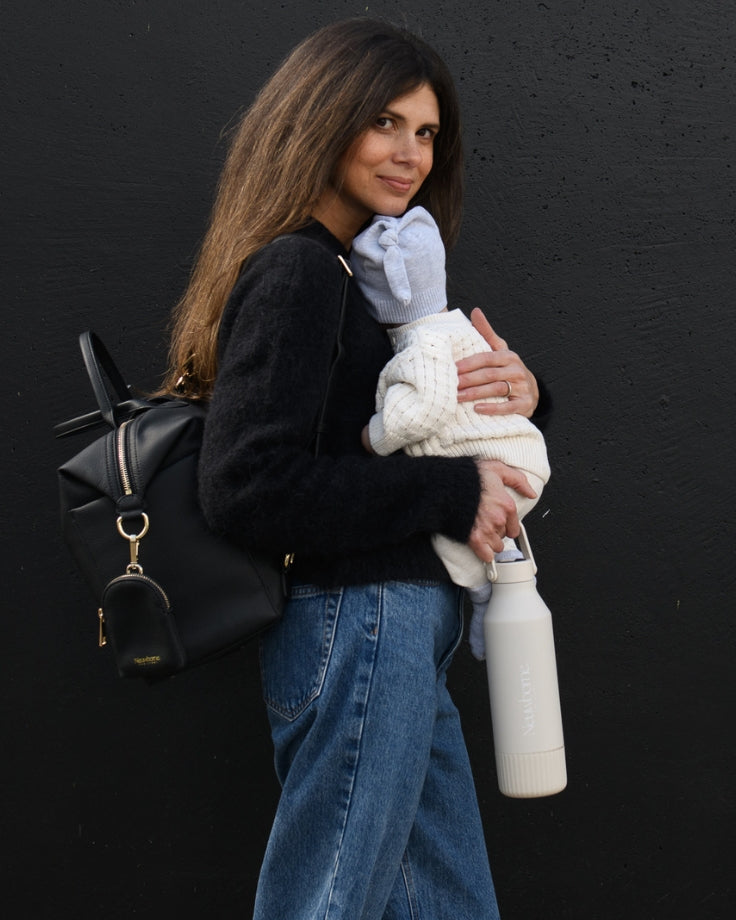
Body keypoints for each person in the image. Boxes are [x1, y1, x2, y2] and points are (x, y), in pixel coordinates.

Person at [160, 17, 544, 920]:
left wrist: (523, 395)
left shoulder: (357, 274)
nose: (410, 153)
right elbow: (247, 485)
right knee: (326, 904)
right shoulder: (300, 272)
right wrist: (454, 492)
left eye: (427, 132)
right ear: (322, 119)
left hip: (395, 628)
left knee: (447, 905)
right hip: (362, 623)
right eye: (384, 122)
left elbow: (385, 428)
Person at [351, 205, 550, 660]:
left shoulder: (421, 347)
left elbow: (419, 413)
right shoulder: (455, 327)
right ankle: (504, 572)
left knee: (448, 534)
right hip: (519, 456)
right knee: (479, 532)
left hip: (503, 470)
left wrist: (371, 436)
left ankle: (483, 595)